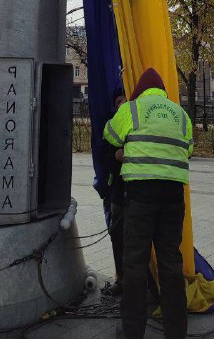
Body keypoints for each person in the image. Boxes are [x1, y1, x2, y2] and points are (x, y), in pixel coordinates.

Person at [104, 67, 193, 339]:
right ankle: (176, 332)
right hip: (173, 198)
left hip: (141, 196)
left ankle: (132, 332)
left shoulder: (132, 109)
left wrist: (127, 149)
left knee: (134, 265)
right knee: (171, 265)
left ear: (140, 90)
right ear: (163, 91)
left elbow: (110, 135)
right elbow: (187, 148)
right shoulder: (180, 114)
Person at [102, 86, 127, 296]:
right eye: (119, 101)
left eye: (126, 100)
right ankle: (121, 278)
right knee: (117, 235)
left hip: (136, 191)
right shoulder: (111, 126)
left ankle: (142, 279)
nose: (123, 104)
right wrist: (114, 156)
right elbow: (104, 155)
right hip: (117, 190)